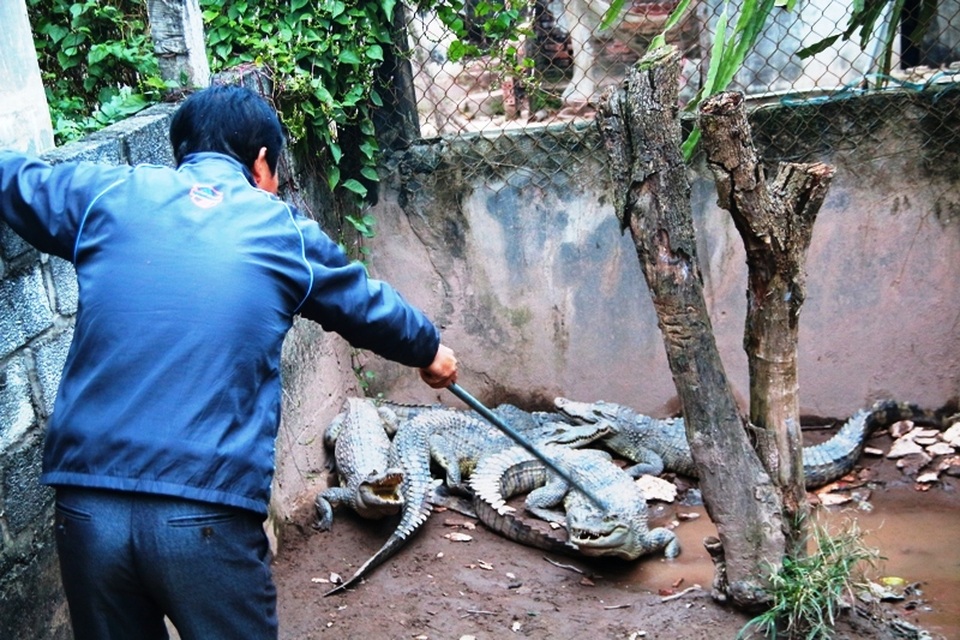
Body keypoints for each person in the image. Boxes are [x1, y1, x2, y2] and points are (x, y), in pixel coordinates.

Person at [0, 83, 457, 639]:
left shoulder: (109, 193)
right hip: (205, 509)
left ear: (182, 152)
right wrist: (429, 351)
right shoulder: (281, 228)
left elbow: (14, 179)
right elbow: (366, 305)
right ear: (262, 162)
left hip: (86, 508)